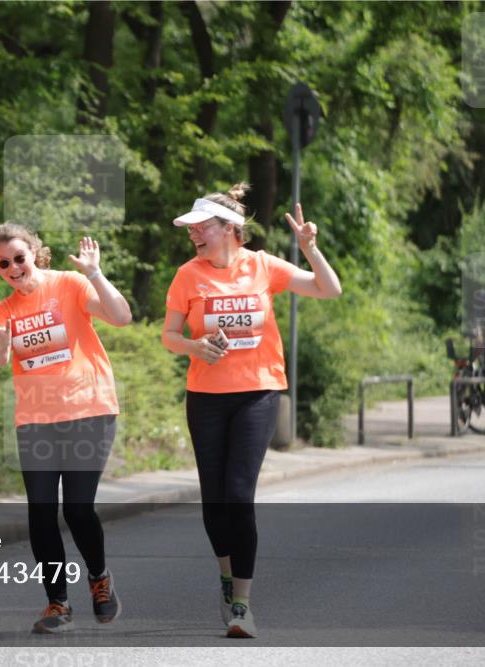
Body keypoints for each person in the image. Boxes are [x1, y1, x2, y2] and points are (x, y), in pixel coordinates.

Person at [161, 184, 341, 639]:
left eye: (202, 228)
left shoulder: (262, 266)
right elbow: (169, 335)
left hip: (258, 392)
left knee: (238, 496)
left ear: (230, 230)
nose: (194, 235)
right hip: (205, 396)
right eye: (192, 229)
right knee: (214, 500)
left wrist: (309, 249)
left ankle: (241, 604)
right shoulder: (188, 275)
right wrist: (194, 346)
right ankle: (225, 575)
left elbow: (329, 289)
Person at [0, 223, 132, 634]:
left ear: (34, 253)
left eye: (19, 258)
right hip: (36, 421)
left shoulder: (71, 285)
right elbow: (0, 358)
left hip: (88, 411)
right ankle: (57, 603)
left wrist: (95, 273)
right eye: (3, 263)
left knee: (78, 509)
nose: (13, 268)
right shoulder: (4, 310)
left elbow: (121, 316)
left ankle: (99, 578)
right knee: (41, 513)